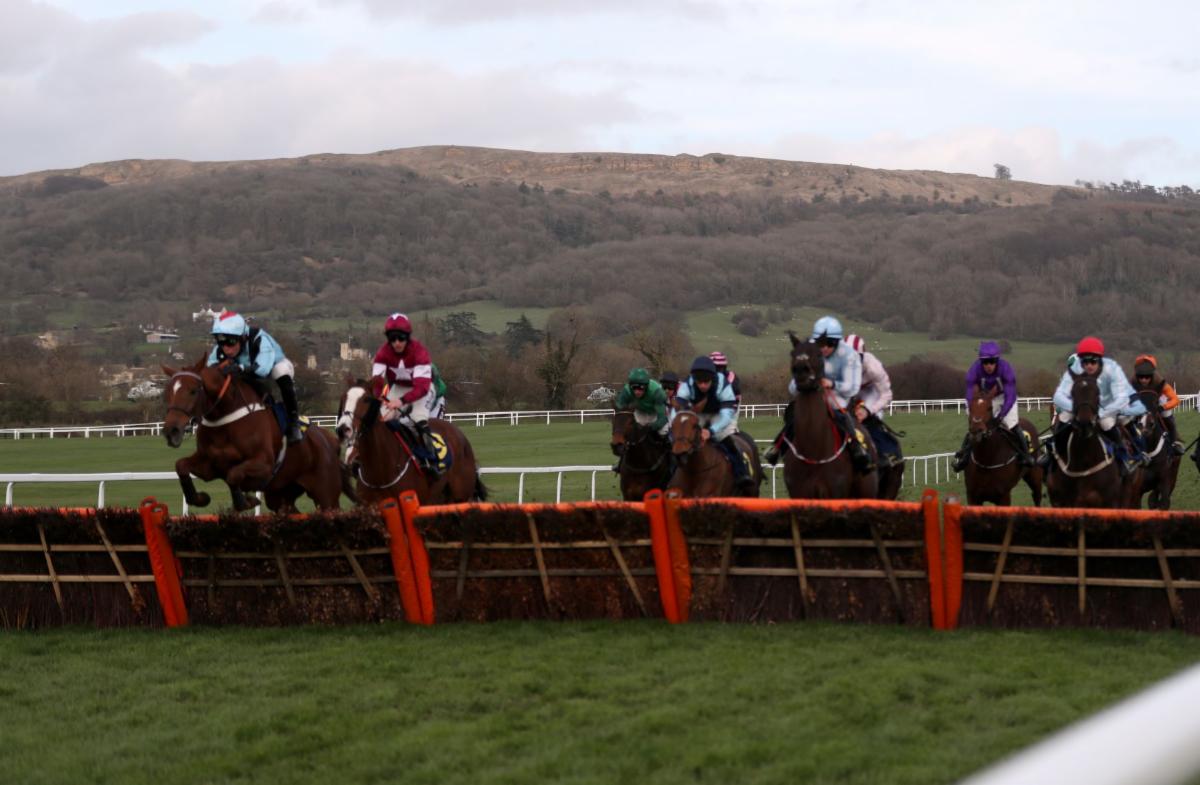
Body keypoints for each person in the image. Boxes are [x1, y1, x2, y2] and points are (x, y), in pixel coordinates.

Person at [764, 316, 874, 473]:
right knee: (793, 417)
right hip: (812, 397)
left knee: (842, 417)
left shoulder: (848, 357)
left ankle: (857, 449)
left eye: (830, 343)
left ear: (837, 343)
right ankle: (777, 447)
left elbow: (852, 388)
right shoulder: (810, 354)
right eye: (822, 343)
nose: (825, 347)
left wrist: (832, 384)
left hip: (837, 399)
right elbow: (793, 387)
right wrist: (803, 382)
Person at [1045, 336, 1148, 474]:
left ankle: (1127, 456)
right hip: (1079, 409)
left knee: (1109, 423)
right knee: (1063, 419)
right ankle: (1052, 455)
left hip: (1101, 408)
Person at [208, 310, 303, 444]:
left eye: (231, 342)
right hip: (247, 371)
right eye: (221, 341)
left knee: (280, 371)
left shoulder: (260, 339)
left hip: (271, 367)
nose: (226, 349)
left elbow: (262, 370)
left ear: (243, 337)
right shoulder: (221, 348)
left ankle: (294, 423)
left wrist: (239, 368)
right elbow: (210, 369)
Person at [371, 313, 441, 477]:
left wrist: (401, 401)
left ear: (408, 337)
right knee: (379, 420)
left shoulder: (420, 352)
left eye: (401, 338)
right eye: (392, 338)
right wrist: (378, 396)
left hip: (422, 388)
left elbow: (422, 387)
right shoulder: (382, 353)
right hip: (398, 387)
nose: (397, 343)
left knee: (418, 419)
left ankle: (431, 461)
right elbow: (377, 381)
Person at [676, 355, 755, 493]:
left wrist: (711, 431)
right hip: (699, 413)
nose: (703, 386)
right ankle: (673, 474)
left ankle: (741, 474)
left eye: (706, 382)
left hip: (720, 414)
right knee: (682, 439)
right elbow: (679, 410)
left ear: (712, 377)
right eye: (699, 382)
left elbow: (727, 414)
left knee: (725, 439)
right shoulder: (687, 384)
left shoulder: (723, 383)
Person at [951, 341, 1034, 471]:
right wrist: (973, 412)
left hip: (1005, 398)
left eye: (992, 361)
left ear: (997, 360)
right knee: (975, 426)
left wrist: (1001, 415)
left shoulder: (1006, 369)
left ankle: (1026, 456)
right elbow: (969, 394)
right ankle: (963, 458)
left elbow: (1010, 395)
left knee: (1011, 424)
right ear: (981, 361)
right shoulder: (974, 370)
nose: (989, 365)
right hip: (985, 399)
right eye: (985, 362)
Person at [844, 334, 902, 468]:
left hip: (870, 392)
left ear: (862, 355)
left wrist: (868, 410)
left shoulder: (874, 367)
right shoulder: (836, 363)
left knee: (867, 419)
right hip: (848, 390)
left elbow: (886, 395)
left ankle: (887, 453)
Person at [611, 368, 670, 472]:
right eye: (634, 388)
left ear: (646, 386)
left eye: (641, 388)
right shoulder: (626, 391)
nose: (637, 391)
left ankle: (671, 461)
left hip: (656, 412)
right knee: (631, 433)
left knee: (663, 432)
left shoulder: (657, 392)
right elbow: (620, 410)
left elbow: (663, 418)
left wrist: (651, 427)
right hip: (640, 411)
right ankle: (621, 461)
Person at [1130, 354, 1186, 455]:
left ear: (1152, 375)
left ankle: (1174, 443)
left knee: (1166, 414)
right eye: (1141, 377)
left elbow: (1175, 399)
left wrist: (1163, 407)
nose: (1143, 380)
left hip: (1157, 401)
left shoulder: (1160, 382)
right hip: (1140, 402)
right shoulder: (1132, 382)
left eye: (1147, 377)